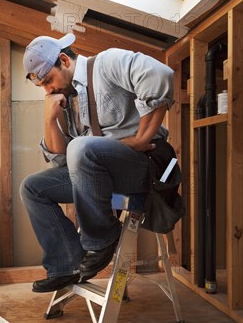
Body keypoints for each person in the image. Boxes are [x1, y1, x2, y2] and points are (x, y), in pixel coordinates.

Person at [20, 33, 174, 293]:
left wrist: (141, 138)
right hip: (96, 176)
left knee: (81, 146)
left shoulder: (106, 63)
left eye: (48, 81)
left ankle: (101, 239)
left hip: (141, 166)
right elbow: (61, 159)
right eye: (42, 86)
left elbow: (161, 75)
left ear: (64, 60)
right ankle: (66, 265)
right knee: (32, 187)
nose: (48, 90)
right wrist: (49, 119)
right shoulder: (68, 99)